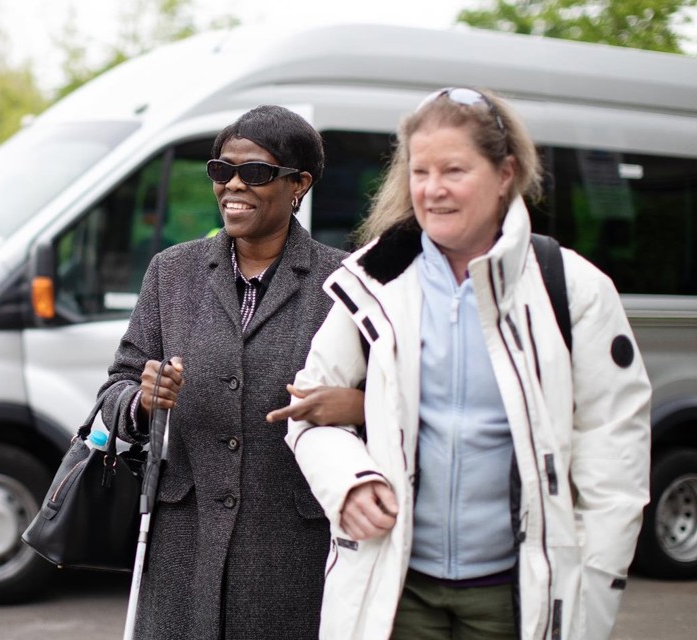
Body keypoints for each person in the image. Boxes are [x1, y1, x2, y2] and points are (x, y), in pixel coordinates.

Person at [276, 88, 652, 640]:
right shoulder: (373, 280)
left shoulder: (572, 287)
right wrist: (349, 484)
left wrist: (592, 587)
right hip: (396, 585)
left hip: (516, 592)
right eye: (420, 170)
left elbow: (614, 454)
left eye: (454, 169)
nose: (432, 190)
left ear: (505, 174)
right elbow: (306, 407)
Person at [97, 105, 352, 640]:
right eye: (222, 170)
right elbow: (113, 394)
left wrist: (349, 407)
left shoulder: (343, 282)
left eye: (255, 172)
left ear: (298, 184)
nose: (233, 184)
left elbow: (387, 404)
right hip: (182, 550)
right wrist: (142, 399)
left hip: (291, 551)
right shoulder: (172, 272)